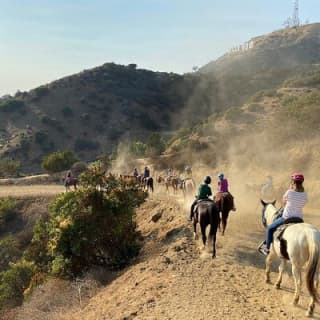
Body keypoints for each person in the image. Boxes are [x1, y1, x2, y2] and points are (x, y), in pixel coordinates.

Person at [259, 172, 308, 256]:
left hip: (287, 217)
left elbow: (284, 203)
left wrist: (290, 190)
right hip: (299, 219)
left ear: (292, 182)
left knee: (270, 228)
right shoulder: (305, 194)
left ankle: (266, 248)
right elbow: (302, 204)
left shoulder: (289, 192)